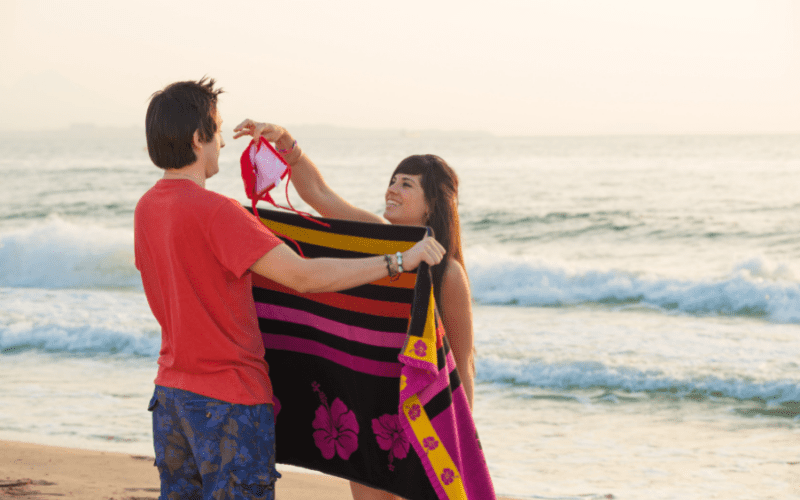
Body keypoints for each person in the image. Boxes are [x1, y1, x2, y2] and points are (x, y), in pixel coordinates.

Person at [134, 78, 445, 500]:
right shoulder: (219, 213)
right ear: (197, 138)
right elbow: (303, 276)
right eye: (219, 130)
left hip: (170, 398)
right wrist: (397, 262)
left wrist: (286, 145)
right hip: (229, 402)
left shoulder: (147, 208)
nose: (223, 143)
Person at [234, 120, 475, 500]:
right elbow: (318, 195)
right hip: (367, 405)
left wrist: (459, 435)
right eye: (393, 181)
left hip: (418, 412)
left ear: (432, 205)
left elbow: (463, 362)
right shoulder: (371, 238)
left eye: (406, 184)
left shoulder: (447, 273)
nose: (392, 189)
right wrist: (288, 147)